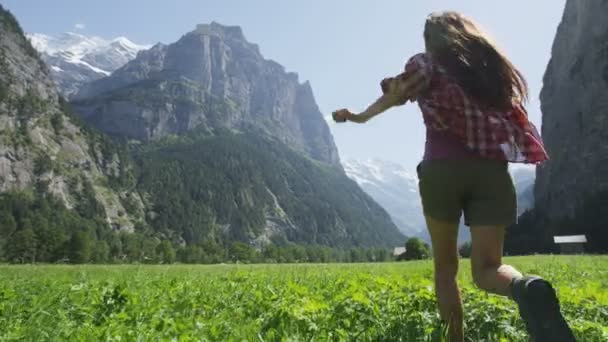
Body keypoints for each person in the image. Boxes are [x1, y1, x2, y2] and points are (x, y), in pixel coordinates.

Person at [332, 11, 575, 342]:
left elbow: (396, 94)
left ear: (432, 39)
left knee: (446, 268)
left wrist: (358, 117)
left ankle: (456, 340)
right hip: (491, 173)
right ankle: (526, 287)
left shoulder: (428, 63)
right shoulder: (491, 70)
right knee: (489, 268)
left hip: (442, 172)